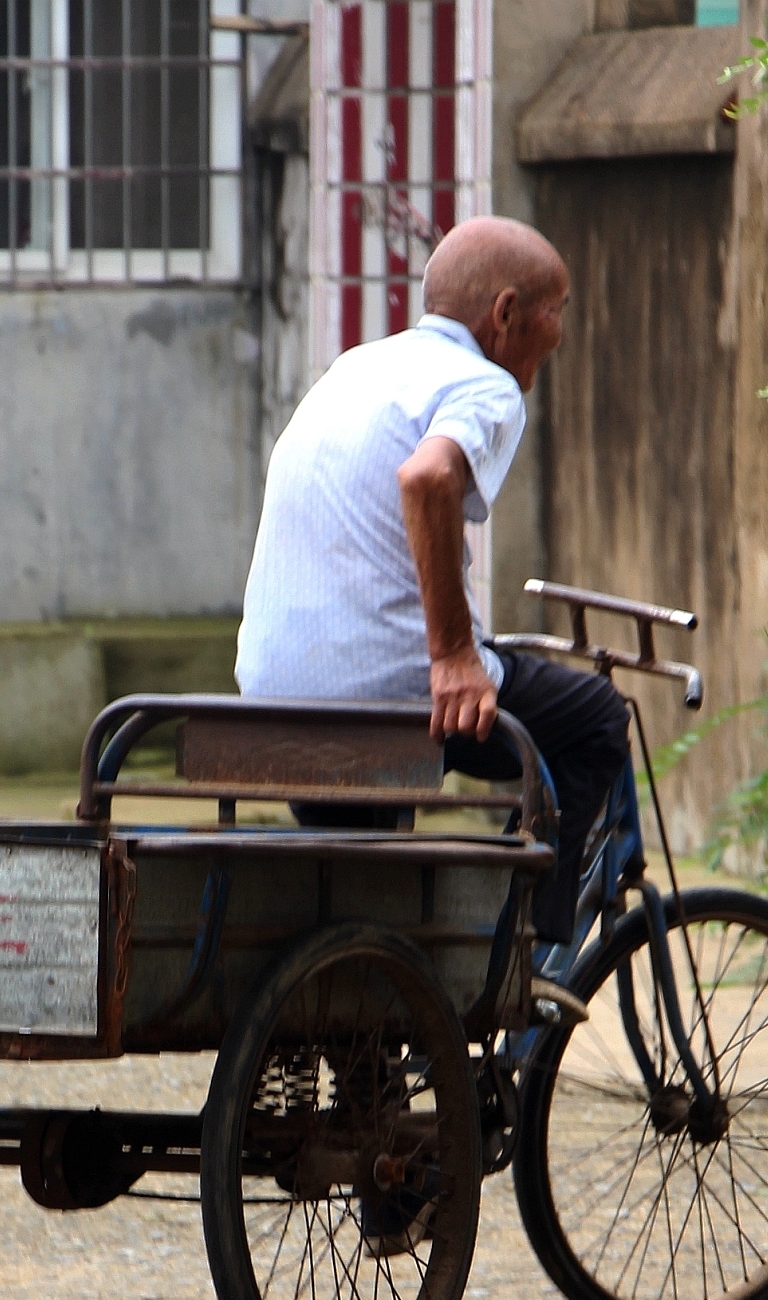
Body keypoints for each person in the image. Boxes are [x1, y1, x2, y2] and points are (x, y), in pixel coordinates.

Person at [236, 216, 633, 952]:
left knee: (366, 909)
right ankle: (525, 953)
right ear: (506, 313)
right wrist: (453, 654)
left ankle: (390, 1005)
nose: (560, 333)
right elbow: (427, 478)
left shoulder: (355, 368)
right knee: (597, 718)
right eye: (557, 310)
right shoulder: (484, 385)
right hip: (384, 693)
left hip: (274, 692)